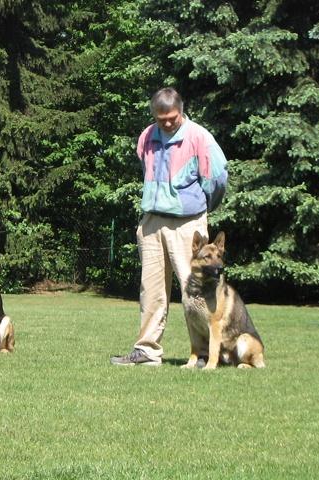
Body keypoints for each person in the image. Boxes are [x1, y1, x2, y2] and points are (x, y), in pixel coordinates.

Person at [110, 87, 228, 366]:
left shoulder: (199, 137)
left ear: (181, 111)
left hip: (188, 223)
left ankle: (204, 353)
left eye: (172, 118)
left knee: (196, 291)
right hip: (152, 221)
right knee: (150, 290)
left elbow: (217, 178)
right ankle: (147, 351)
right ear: (154, 114)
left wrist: (201, 207)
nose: (166, 123)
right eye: (160, 118)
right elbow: (146, 169)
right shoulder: (147, 136)